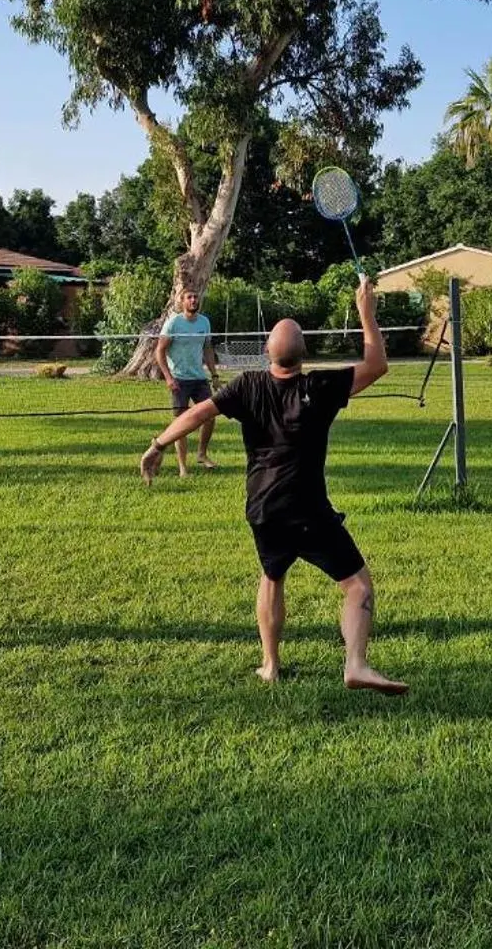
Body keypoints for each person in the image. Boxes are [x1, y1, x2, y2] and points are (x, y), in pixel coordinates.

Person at [141, 276, 406, 695]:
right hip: (308, 509)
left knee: (271, 576)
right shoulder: (319, 387)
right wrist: (366, 315)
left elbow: (194, 416)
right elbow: (377, 365)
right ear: (304, 354)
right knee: (357, 585)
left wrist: (157, 444)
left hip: (263, 507)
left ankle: (270, 665)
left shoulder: (248, 386)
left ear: (267, 351)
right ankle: (355, 663)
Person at [155, 287, 220, 476]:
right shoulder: (173, 323)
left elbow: (207, 348)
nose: (193, 300)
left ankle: (201, 454)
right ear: (182, 302)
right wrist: (168, 377)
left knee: (210, 416)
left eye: (195, 297)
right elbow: (159, 351)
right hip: (179, 380)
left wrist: (214, 375)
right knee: (181, 423)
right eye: (189, 297)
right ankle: (183, 467)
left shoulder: (204, 322)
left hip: (199, 378)